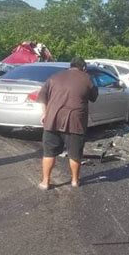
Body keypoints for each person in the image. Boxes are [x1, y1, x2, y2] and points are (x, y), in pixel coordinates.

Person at [38, 57, 98, 190]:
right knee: (75, 153)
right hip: (75, 122)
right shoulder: (86, 78)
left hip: (52, 120)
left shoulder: (54, 77)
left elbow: (42, 96)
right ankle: (75, 181)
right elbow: (94, 97)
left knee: (49, 152)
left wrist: (44, 113)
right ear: (83, 68)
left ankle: (45, 182)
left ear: (70, 66)